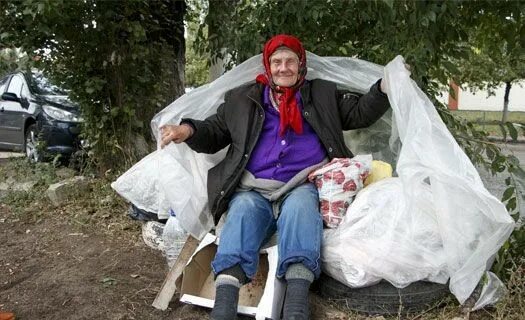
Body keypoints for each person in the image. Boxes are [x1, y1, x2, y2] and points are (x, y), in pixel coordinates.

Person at [160, 34, 391, 320]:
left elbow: (359, 114)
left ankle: (296, 308)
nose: (283, 68)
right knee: (242, 212)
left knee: (302, 209)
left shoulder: (322, 94)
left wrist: (382, 88)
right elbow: (215, 132)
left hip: (301, 184)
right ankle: (223, 309)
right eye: (276, 62)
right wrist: (188, 131)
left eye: (290, 61)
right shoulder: (241, 99)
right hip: (252, 188)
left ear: (301, 64)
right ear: (268, 66)